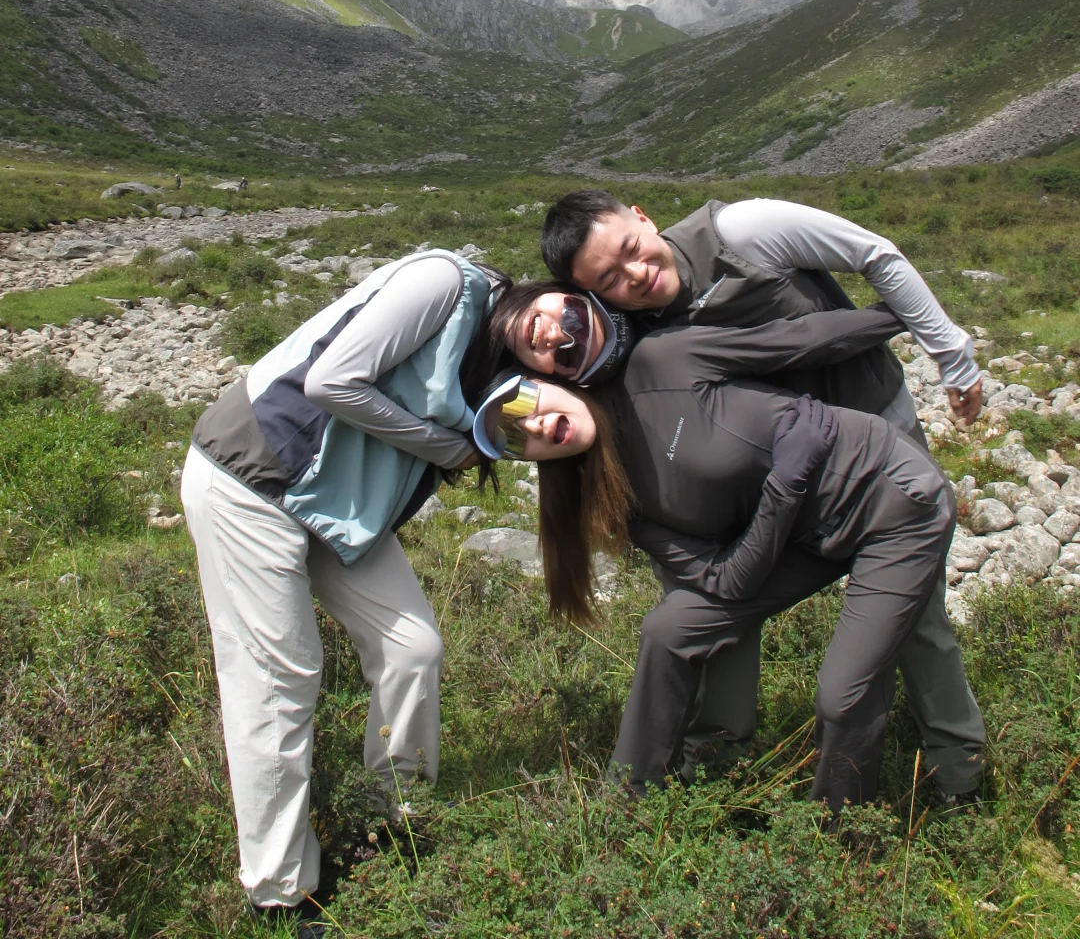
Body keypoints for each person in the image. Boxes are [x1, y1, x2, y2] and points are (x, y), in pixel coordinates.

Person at [538, 191, 986, 804]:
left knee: (919, 618)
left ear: (642, 217)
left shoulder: (744, 231)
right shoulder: (637, 331)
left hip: (873, 438)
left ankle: (957, 777)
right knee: (700, 611)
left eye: (632, 250)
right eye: (609, 280)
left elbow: (874, 255)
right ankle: (717, 759)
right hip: (782, 478)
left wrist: (951, 354)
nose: (636, 276)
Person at [472, 290, 958, 812]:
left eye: (524, 404)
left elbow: (797, 342)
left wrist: (910, 313)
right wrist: (785, 487)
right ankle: (627, 804)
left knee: (842, 697)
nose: (535, 426)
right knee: (670, 628)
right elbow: (727, 583)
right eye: (513, 438)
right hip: (802, 535)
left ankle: (845, 846)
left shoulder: (662, 363)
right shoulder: (616, 501)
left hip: (891, 500)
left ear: (551, 382)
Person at [181, 249, 501, 928]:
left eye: (575, 351)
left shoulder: (501, 374)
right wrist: (449, 449)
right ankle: (280, 891)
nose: (558, 338)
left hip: (335, 504)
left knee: (413, 648)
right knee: (277, 678)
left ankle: (392, 824)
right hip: (253, 477)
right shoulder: (445, 282)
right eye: (563, 312)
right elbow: (333, 382)